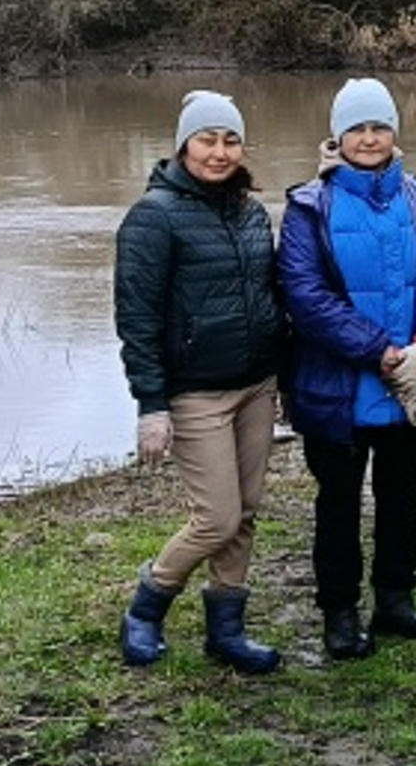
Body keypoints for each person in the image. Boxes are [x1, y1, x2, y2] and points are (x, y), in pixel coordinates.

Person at [278, 77, 416, 660]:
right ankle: (339, 613)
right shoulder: (309, 207)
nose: (368, 138)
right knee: (338, 501)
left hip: (413, 383)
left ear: (394, 132)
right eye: (357, 129)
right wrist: (382, 352)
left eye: (379, 127)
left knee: (401, 493)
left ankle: (395, 599)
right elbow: (305, 296)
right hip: (337, 390)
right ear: (337, 136)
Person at [113, 89, 287, 675]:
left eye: (231, 140)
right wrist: (151, 404)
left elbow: (270, 297)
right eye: (207, 140)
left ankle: (226, 631)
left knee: (246, 512)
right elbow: (136, 318)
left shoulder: (250, 212)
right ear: (183, 145)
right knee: (216, 518)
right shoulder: (153, 217)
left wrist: (284, 375)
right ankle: (147, 605)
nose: (219, 152)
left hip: (256, 385)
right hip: (195, 392)